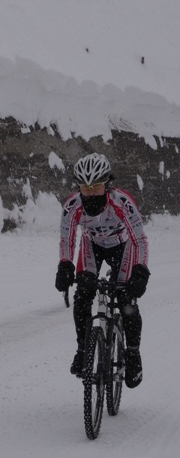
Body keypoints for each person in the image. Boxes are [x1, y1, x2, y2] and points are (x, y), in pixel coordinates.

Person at [55, 153, 150, 388]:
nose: (91, 193)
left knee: (126, 301)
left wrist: (140, 271)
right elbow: (66, 240)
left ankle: (133, 354)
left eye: (96, 187)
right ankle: (82, 349)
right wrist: (65, 265)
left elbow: (140, 240)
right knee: (83, 296)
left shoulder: (121, 202)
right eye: (85, 189)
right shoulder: (72, 206)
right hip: (92, 245)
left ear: (107, 184)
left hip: (122, 245)